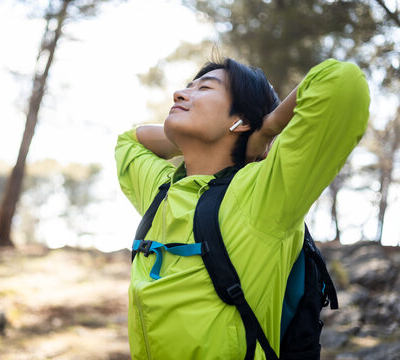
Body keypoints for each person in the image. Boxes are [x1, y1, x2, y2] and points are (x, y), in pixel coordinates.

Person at [115, 57, 369, 359]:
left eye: (205, 88)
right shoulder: (164, 190)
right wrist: (179, 139)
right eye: (186, 88)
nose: (180, 94)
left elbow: (343, 81)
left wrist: (267, 128)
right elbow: (128, 142)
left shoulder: (265, 194)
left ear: (242, 120)